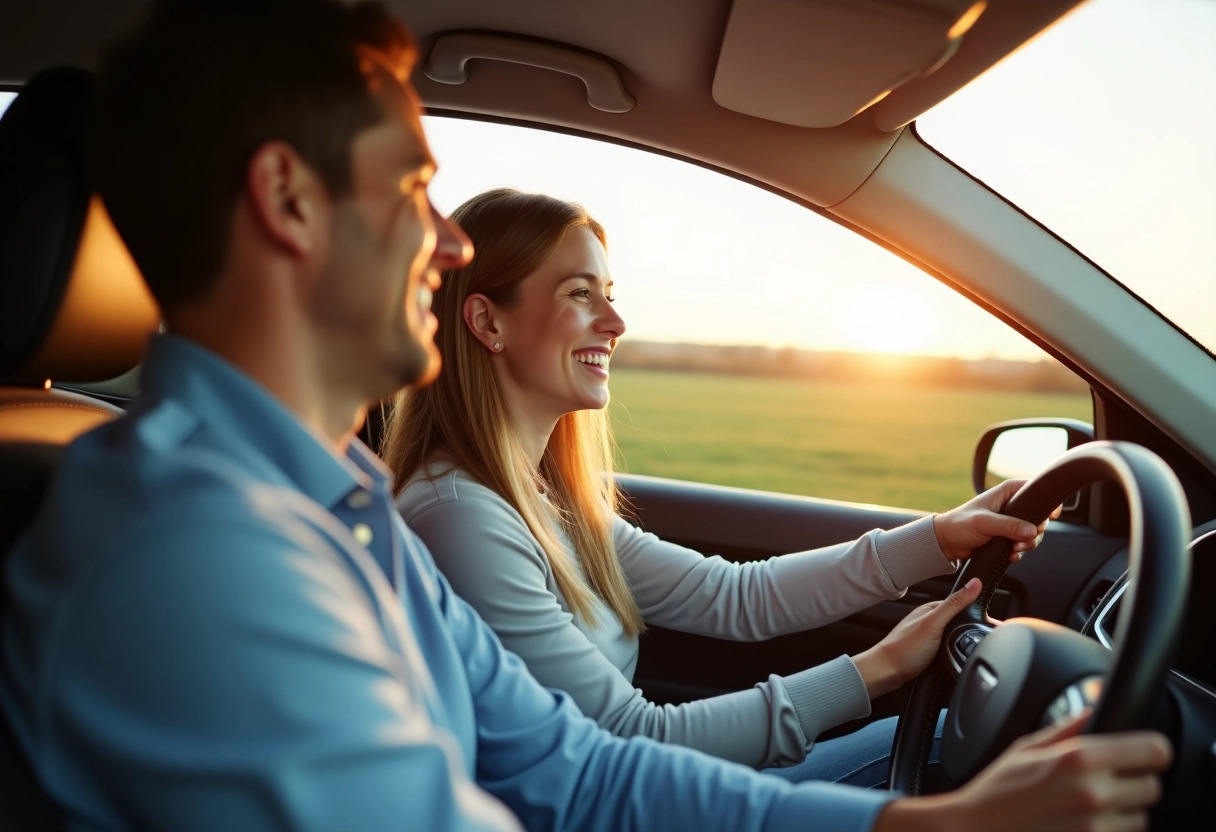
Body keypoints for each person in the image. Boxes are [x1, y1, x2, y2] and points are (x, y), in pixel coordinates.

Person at [0, 1, 1170, 830]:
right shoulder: (190, 556)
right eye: (414, 189)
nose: (446, 244)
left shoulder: (335, 504)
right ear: (289, 199)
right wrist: (872, 686)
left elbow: (580, 772)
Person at [384, 188, 1040, 785]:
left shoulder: (538, 497)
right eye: (579, 294)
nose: (614, 322)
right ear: (487, 322)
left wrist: (940, 538)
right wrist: (880, 668)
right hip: (616, 803)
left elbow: (732, 595)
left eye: (610, 293)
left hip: (639, 796)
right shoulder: (460, 518)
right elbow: (627, 738)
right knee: (959, 750)